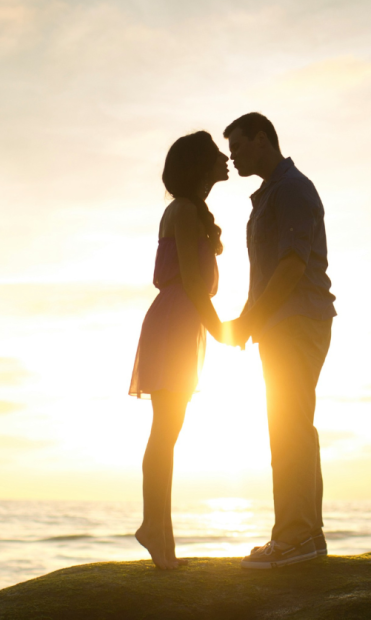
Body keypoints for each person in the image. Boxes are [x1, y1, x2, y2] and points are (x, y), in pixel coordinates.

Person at [222, 113, 336, 569]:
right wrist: (250, 319)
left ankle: (293, 537)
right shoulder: (274, 192)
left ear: (262, 139)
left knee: (289, 427)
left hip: (297, 321)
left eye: (238, 146)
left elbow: (291, 265)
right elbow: (270, 271)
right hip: (285, 322)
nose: (232, 156)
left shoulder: (290, 189)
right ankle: (307, 536)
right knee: (294, 426)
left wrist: (251, 319)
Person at [129, 130, 233, 569]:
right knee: (166, 431)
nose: (226, 159)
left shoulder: (189, 210)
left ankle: (161, 537)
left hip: (181, 320)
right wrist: (222, 331)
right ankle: (155, 530)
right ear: (199, 165)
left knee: (167, 431)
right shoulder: (185, 211)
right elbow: (192, 280)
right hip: (176, 319)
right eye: (216, 154)